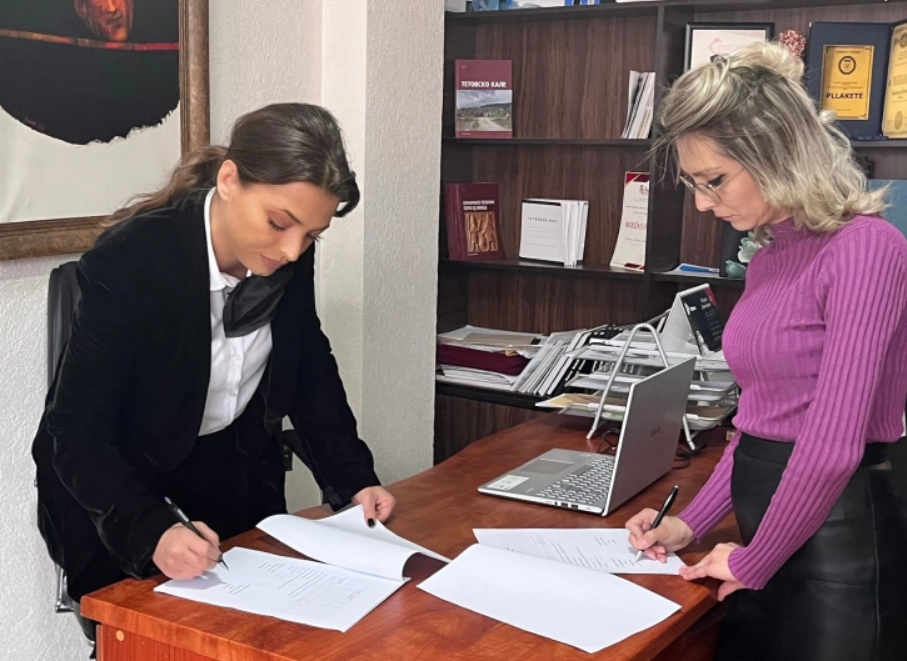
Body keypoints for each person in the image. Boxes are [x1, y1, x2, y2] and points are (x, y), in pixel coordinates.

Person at [32, 103, 395, 641]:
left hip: (224, 473)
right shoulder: (132, 260)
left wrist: (353, 480)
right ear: (229, 180)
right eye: (279, 223)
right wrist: (150, 531)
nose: (292, 249)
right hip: (119, 490)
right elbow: (75, 433)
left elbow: (308, 365)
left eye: (312, 235)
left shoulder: (286, 253)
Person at [626, 42, 907, 661]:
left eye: (714, 180)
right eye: (694, 183)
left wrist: (755, 559)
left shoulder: (866, 248)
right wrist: (691, 523)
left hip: (839, 546)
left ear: (777, 152)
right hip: (766, 535)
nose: (703, 202)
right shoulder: (770, 258)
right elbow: (759, 426)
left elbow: (831, 446)